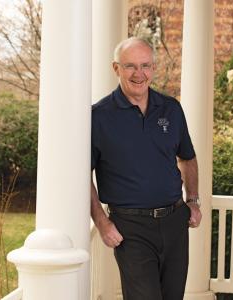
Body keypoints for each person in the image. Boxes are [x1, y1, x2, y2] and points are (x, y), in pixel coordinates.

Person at [91, 37, 202, 300]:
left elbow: (187, 158)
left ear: (153, 68)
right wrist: (102, 221)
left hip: (176, 221)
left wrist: (194, 200)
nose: (138, 74)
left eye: (145, 65)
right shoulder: (98, 116)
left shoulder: (171, 109)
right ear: (116, 68)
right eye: (130, 66)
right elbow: (82, 176)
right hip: (130, 227)